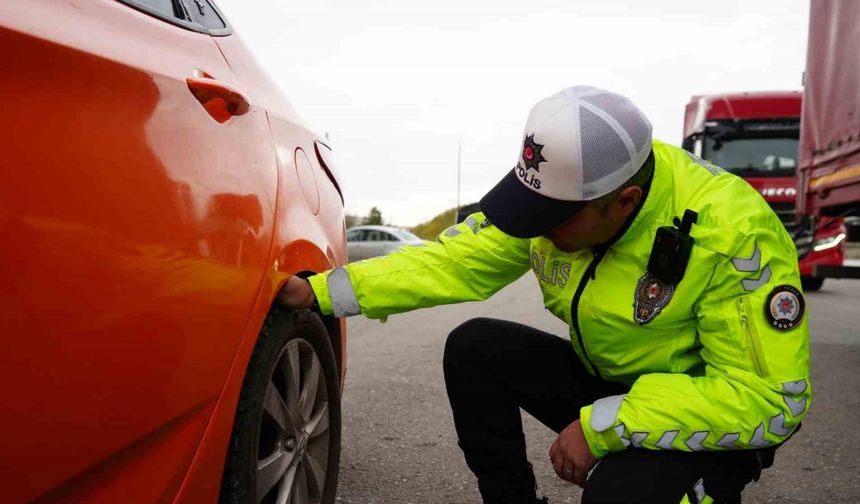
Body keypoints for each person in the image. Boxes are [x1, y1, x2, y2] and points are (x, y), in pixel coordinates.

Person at [278, 86, 811, 504]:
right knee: (474, 347)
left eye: (553, 220)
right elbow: (452, 261)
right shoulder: (559, 201)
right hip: (608, 380)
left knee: (620, 497)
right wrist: (321, 293)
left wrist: (604, 425)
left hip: (701, 409)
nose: (537, 231)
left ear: (623, 202)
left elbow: (771, 401)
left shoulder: (734, 235)